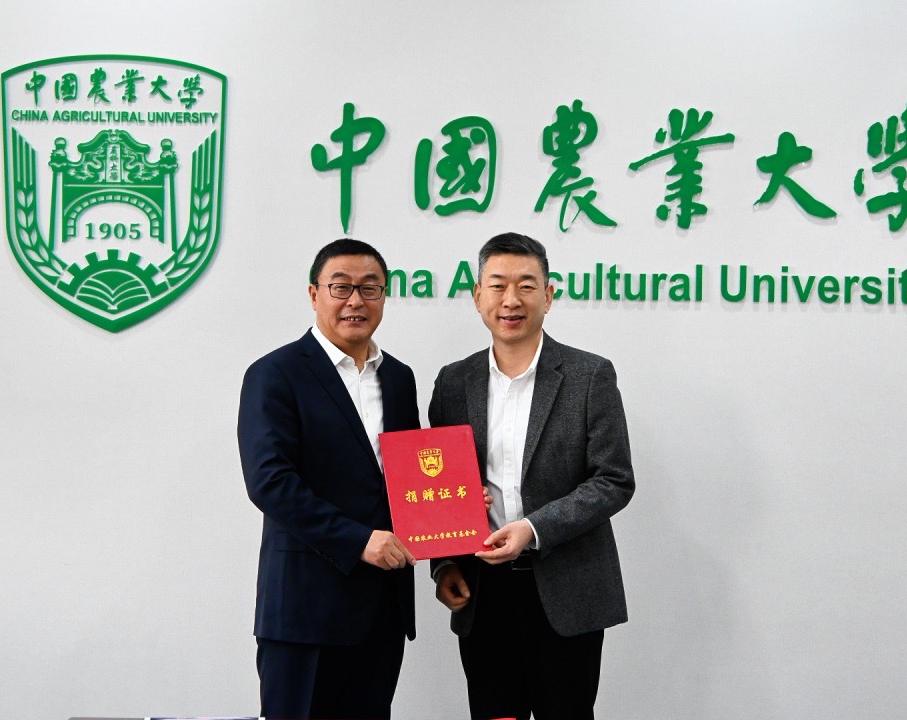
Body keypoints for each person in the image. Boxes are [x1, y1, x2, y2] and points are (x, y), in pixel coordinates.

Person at [429, 232, 635, 720]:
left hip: (567, 587)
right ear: (477, 296)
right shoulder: (453, 382)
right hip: (482, 591)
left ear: (549, 295)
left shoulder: (590, 375)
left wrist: (533, 528)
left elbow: (614, 479)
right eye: (498, 285)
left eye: (526, 285)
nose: (511, 300)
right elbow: (438, 486)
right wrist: (445, 564)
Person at [238, 238, 419, 719]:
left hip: (382, 609)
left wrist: (452, 510)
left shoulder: (399, 378)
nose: (355, 301)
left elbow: (409, 477)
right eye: (341, 287)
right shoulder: (275, 373)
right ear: (314, 294)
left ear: (384, 296)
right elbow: (270, 482)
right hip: (305, 612)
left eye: (370, 288)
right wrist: (358, 541)